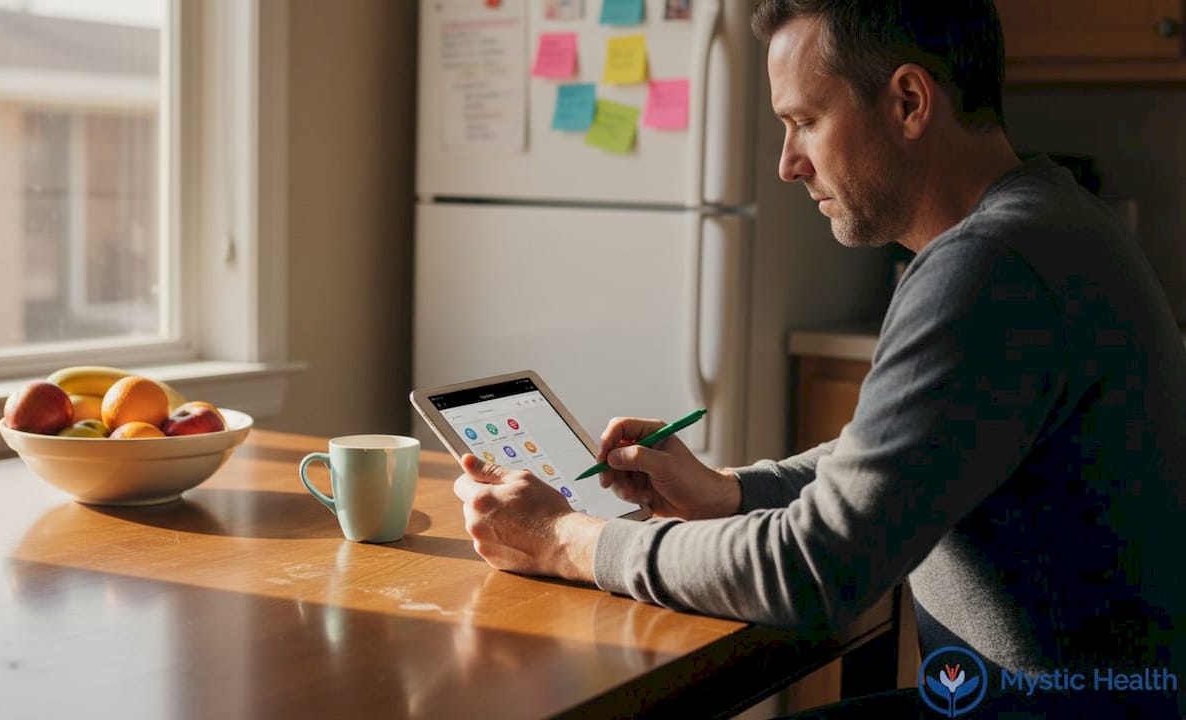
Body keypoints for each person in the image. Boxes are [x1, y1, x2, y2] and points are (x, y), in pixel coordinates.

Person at [453, 0, 1186, 715]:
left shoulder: (987, 267)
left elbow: (813, 569)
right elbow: (902, 455)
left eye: (804, 121)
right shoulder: (1050, 220)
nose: (787, 165)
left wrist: (567, 540)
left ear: (907, 101)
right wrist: (730, 493)